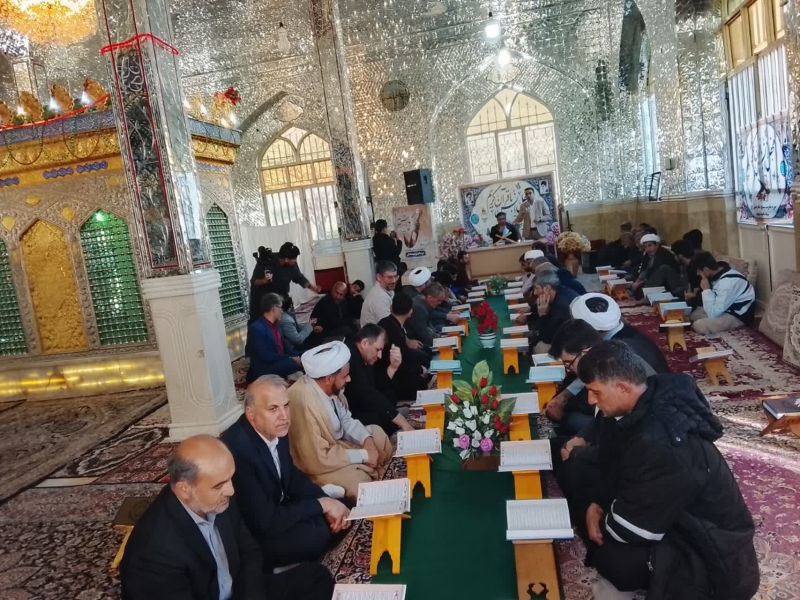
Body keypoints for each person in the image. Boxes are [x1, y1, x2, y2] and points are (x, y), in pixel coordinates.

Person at [573, 341, 759, 600]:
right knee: (584, 486)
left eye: (595, 392)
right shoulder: (640, 405)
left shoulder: (661, 444)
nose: (590, 400)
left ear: (623, 388)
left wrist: (599, 521)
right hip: (677, 520)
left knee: (612, 558)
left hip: (714, 559)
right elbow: (614, 466)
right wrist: (597, 502)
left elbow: (633, 529)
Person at [120, 435, 334, 600]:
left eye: (230, 478)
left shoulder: (215, 499)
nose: (231, 490)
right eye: (219, 485)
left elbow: (249, 552)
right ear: (185, 489)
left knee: (315, 577)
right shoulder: (154, 552)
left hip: (237, 591)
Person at [221, 376, 350, 569]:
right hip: (254, 532)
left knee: (344, 506)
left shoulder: (275, 428)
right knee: (315, 535)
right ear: (251, 413)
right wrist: (321, 505)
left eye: (286, 406)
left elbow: (292, 477)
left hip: (278, 507)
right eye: (273, 408)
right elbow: (265, 522)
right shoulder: (239, 450)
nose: (284, 416)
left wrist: (326, 501)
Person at [287, 341, 393, 501]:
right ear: (329, 379)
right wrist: (364, 455)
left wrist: (368, 443)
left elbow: (346, 420)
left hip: (338, 446)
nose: (349, 379)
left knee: (377, 434)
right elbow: (316, 458)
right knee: (360, 483)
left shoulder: (329, 388)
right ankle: (322, 491)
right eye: (345, 376)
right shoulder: (303, 402)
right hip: (318, 465)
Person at [345, 324, 415, 435]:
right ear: (364, 343)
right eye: (377, 350)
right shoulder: (350, 357)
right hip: (350, 412)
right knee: (380, 419)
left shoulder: (363, 354)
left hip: (362, 401)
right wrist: (402, 422)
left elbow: (375, 384)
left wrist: (393, 367)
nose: (380, 356)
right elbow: (369, 394)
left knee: (389, 394)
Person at [249, 243, 321, 323]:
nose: (295, 261)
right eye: (294, 259)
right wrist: (264, 280)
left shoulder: (292, 265)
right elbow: (254, 282)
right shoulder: (266, 262)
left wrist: (312, 287)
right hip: (262, 300)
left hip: (281, 299)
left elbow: (299, 277)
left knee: (289, 322)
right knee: (261, 324)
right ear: (286, 259)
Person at [378, 293, 432, 397]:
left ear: (391, 308)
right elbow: (400, 363)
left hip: (395, 362)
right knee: (419, 383)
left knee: (425, 354)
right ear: (410, 311)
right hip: (390, 371)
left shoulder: (385, 321)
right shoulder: (393, 332)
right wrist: (419, 369)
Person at [690, 252, 755, 334]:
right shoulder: (718, 274)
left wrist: (706, 290)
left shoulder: (728, 282)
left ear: (706, 269)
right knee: (694, 314)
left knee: (699, 325)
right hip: (723, 310)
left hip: (737, 316)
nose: (698, 274)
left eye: (699, 271)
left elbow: (713, 313)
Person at [246, 293, 302, 382]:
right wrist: (290, 358)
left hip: (280, 360)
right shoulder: (256, 328)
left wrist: (299, 356)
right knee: (292, 363)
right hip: (265, 367)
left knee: (305, 355)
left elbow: (285, 347)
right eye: (281, 308)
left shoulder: (276, 324)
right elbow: (264, 356)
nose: (282, 311)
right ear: (274, 308)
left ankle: (292, 371)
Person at [528, 270, 580, 354]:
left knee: (539, 347)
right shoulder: (559, 292)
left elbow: (548, 338)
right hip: (569, 338)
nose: (535, 292)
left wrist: (543, 315)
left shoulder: (561, 305)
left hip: (576, 346)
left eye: (536, 288)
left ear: (547, 288)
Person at [407, 282, 458, 347]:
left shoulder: (423, 300)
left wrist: (435, 333)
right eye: (438, 300)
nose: (440, 303)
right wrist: (438, 340)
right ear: (429, 298)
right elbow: (424, 335)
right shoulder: (418, 309)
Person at [631, 234, 680, 298]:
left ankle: (645, 297)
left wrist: (641, 282)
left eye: (650, 245)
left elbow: (657, 275)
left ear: (657, 244)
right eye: (645, 247)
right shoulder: (648, 254)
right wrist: (637, 281)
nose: (648, 249)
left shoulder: (665, 255)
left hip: (668, 283)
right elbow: (645, 269)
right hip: (653, 281)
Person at [360, 260, 398, 326]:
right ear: (379, 277)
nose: (394, 281)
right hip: (375, 332)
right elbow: (389, 325)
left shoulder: (387, 290)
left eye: (395, 276)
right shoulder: (379, 297)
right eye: (389, 277)